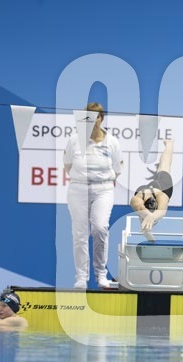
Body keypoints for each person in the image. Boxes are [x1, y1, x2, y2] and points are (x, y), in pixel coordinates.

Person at [64, 103, 122, 289]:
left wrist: (100, 182)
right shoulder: (74, 140)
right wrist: (83, 180)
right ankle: (81, 277)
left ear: (100, 119)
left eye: (94, 117)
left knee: (99, 228)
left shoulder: (112, 142)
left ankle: (101, 274)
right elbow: (67, 165)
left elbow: (118, 169)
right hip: (78, 189)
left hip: (103, 189)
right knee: (79, 233)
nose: (91, 121)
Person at [130, 140, 174, 241]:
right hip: (164, 186)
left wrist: (151, 217)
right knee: (164, 166)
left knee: (165, 165)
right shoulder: (137, 200)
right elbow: (140, 207)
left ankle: (170, 144)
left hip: (157, 191)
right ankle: (169, 144)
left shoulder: (161, 196)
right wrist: (149, 215)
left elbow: (161, 212)